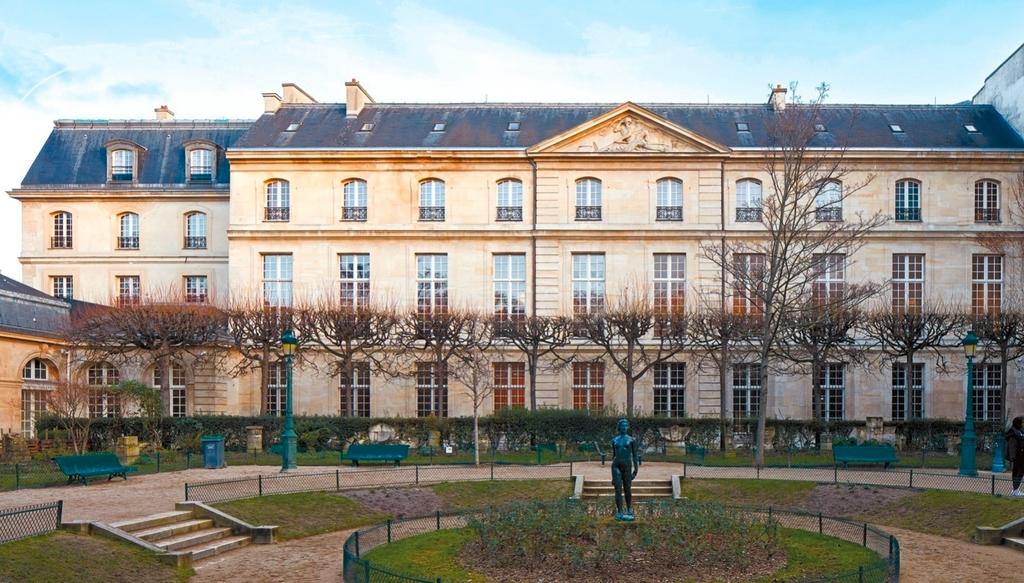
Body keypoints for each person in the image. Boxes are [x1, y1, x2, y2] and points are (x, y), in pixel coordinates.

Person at [611, 418, 640, 520]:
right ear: (619, 427)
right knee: (618, 490)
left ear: (627, 427)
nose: (624, 427)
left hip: (627, 466)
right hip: (616, 466)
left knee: (627, 489)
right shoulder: (614, 440)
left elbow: (635, 455)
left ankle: (629, 509)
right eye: (622, 426)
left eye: (625, 425)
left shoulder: (632, 440)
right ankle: (619, 511)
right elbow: (614, 455)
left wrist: (636, 469)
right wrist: (613, 476)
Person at [1006, 417, 1024, 497]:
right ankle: (1015, 490)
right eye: (1022, 422)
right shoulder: (1013, 432)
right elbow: (1012, 446)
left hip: (1021, 456)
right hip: (1017, 457)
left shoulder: (1020, 431)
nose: (1023, 424)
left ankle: (1015, 490)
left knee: (1020, 472)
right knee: (1018, 473)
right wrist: (1012, 458)